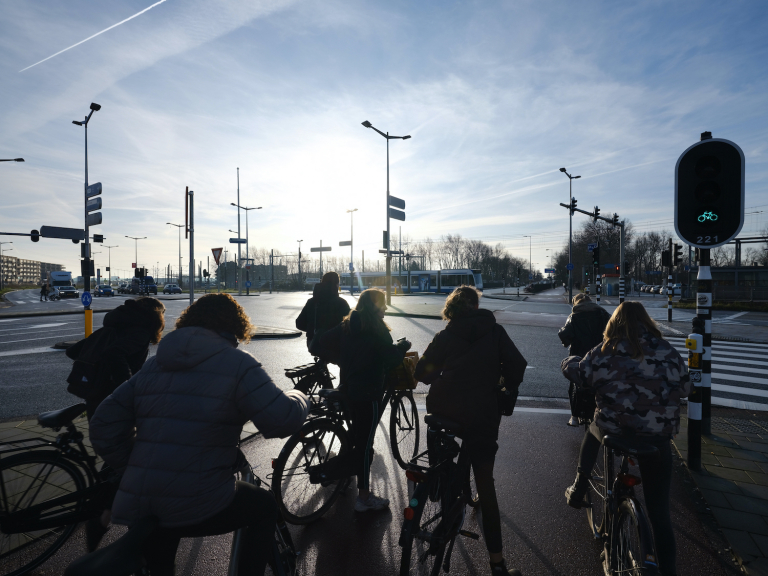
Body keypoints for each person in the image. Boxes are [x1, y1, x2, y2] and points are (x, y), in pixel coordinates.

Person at [89, 293, 310, 575]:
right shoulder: (237, 363)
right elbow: (282, 420)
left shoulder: (154, 364)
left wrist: (135, 464)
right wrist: (300, 396)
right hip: (198, 500)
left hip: (143, 501)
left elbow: (103, 425)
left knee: (159, 562)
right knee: (264, 506)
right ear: (235, 326)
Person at [561, 301, 690, 576]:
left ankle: (579, 488)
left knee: (594, 429)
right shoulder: (667, 350)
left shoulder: (606, 349)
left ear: (614, 323)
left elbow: (581, 374)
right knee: (660, 515)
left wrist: (568, 362)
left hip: (616, 430)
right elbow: (687, 387)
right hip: (657, 438)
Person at [415, 286, 527, 576]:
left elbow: (422, 374)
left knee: (440, 439)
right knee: (485, 485)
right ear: (476, 307)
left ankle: (438, 481)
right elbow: (517, 366)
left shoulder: (446, 334)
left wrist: (441, 373)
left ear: (451, 309)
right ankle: (497, 563)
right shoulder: (495, 332)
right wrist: (504, 384)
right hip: (481, 413)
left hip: (444, 407)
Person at [317, 288, 410, 512]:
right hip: (368, 393)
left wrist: (344, 360)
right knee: (365, 446)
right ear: (375, 307)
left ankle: (339, 472)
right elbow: (391, 359)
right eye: (382, 304)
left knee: (355, 437)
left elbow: (319, 343)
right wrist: (402, 348)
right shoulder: (377, 328)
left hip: (347, 388)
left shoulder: (347, 324)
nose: (385, 308)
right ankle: (364, 498)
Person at [558, 293, 611, 426]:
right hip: (601, 355)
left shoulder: (574, 316)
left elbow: (565, 336)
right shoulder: (603, 314)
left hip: (580, 355)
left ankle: (574, 417)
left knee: (575, 384)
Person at [296, 271, 351, 352]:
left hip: (314, 344)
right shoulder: (341, 303)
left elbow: (299, 323)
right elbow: (349, 324)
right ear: (336, 284)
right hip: (335, 345)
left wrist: (312, 330)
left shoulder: (311, 302)